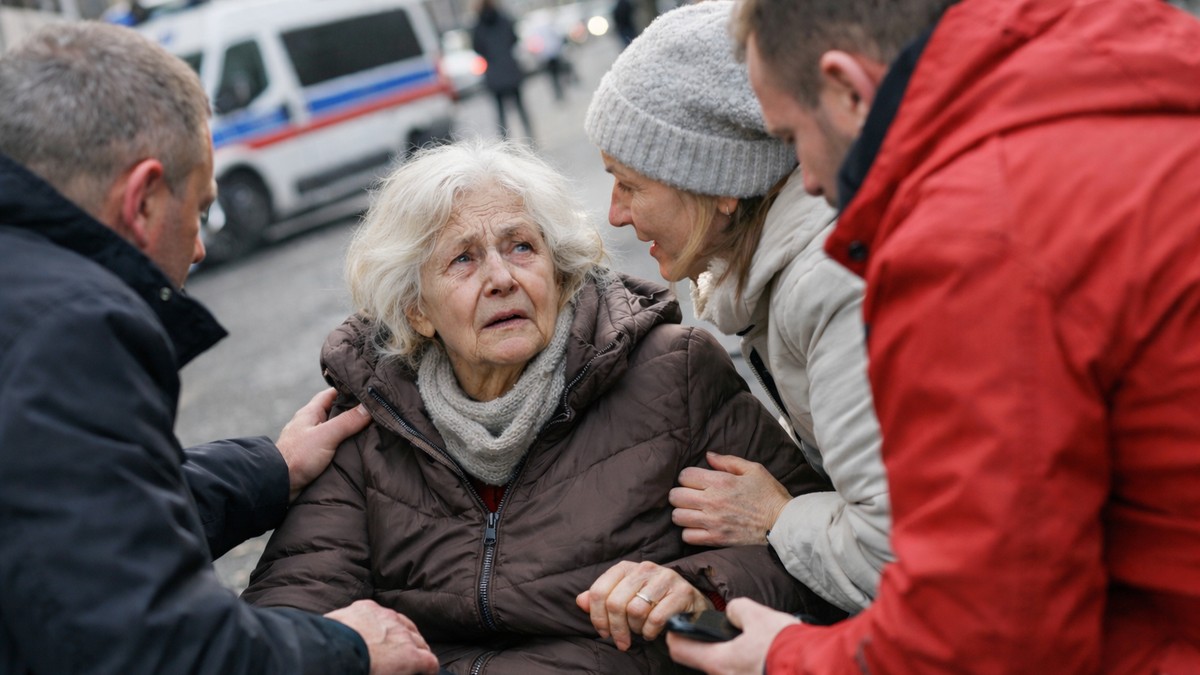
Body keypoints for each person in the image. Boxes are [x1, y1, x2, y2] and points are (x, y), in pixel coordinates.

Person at [667, 0, 1200, 672]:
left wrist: (781, 653)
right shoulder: (1134, 84)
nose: (805, 179)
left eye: (794, 136)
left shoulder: (971, 237)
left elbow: (984, 636)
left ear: (848, 90)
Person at [241, 137, 840, 673]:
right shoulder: (370, 416)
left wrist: (697, 588)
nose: (500, 278)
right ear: (416, 310)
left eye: (521, 247)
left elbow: (806, 558)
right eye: (463, 259)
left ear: (559, 273)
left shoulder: (672, 373)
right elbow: (290, 607)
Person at [0, 22, 439, 675]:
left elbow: (79, 523)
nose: (202, 247)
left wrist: (273, 467)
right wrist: (345, 646)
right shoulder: (73, 327)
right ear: (144, 198)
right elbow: (154, 646)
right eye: (202, 209)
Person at [584, 0, 890, 615]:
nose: (615, 212)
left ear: (720, 184)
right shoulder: (777, 277)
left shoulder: (830, 283)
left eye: (631, 183)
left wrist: (778, 516)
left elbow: (896, 557)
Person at [472, 0, 533, 139]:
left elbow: (477, 48)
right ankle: (530, 138)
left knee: (500, 114)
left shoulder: (478, 26)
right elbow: (514, 39)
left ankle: (506, 143)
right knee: (521, 108)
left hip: (494, 74)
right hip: (510, 69)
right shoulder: (504, 20)